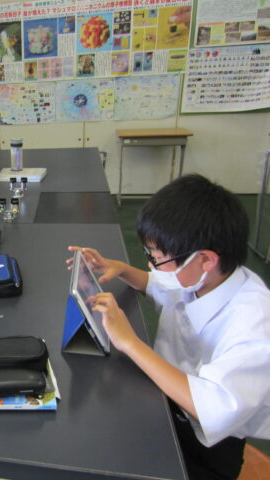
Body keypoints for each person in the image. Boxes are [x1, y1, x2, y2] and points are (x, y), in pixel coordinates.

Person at [69, 174, 270, 480]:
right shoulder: (205, 277)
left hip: (209, 446)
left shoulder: (255, 325)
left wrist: (130, 342)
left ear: (205, 260)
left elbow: (211, 408)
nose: (152, 265)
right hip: (168, 403)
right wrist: (120, 269)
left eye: (158, 258)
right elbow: (160, 283)